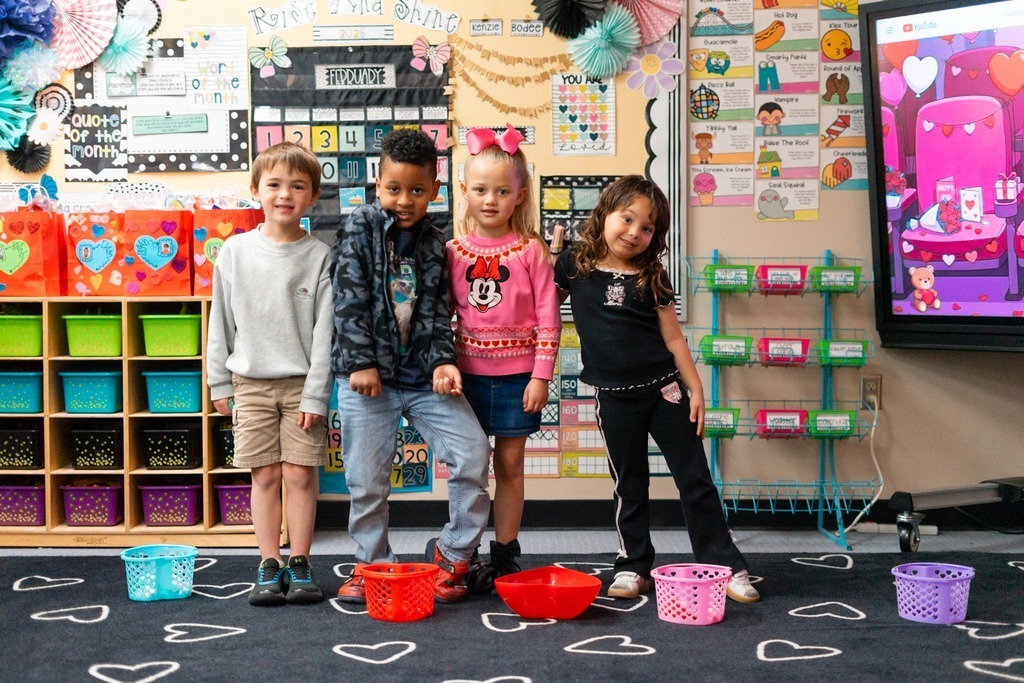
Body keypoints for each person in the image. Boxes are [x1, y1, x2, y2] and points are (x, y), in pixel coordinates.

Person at [553, 175, 760, 604]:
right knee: (629, 485)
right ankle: (633, 565)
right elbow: (540, 304)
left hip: (665, 392)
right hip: (613, 398)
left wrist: (696, 389)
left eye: (646, 228)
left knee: (695, 479)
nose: (634, 232)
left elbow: (674, 338)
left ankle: (724, 564)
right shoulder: (573, 264)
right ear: (604, 214)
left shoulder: (652, 274)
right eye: (627, 219)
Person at [331, 128, 491, 605]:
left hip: (422, 380)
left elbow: (438, 314)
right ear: (377, 185)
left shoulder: (436, 243)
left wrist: (442, 362)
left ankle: (453, 553)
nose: (404, 200)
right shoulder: (360, 227)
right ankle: (372, 564)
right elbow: (348, 298)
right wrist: (361, 362)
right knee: (366, 480)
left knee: (472, 453)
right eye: (394, 189)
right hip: (368, 381)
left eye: (417, 190)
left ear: (434, 190)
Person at [207, 141, 333, 607]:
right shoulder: (235, 252)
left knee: (299, 475)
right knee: (263, 475)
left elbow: (325, 335)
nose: (285, 194)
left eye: (297, 186)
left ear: (313, 196)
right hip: (250, 384)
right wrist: (219, 382)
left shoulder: (320, 256)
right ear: (255, 190)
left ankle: (299, 562)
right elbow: (220, 323)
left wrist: (316, 395)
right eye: (274, 184)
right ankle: (268, 562)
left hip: (302, 386)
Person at [446, 124, 561, 591]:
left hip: (519, 379)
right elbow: (440, 316)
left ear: (520, 195)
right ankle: (463, 552)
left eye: (501, 191)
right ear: (464, 192)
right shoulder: (452, 252)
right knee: (468, 469)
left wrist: (541, 376)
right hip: (466, 380)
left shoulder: (531, 251)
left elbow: (549, 317)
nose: (490, 200)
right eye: (480, 190)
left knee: (510, 467)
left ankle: (506, 554)